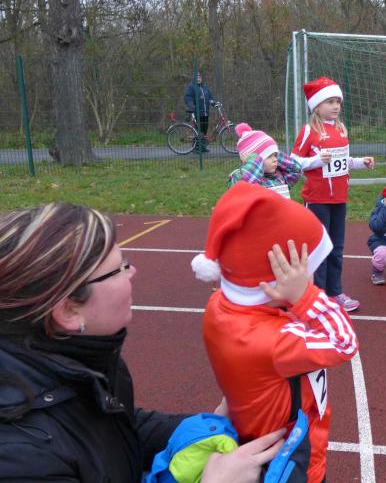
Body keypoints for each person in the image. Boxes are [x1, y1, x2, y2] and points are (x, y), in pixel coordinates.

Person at [0, 203, 285, 482]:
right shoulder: (20, 456)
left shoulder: (79, 360)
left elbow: (113, 427)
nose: (133, 271)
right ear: (69, 311)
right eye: (119, 268)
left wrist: (206, 426)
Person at [191, 181, 359, 483]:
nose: (310, 279)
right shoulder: (273, 341)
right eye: (306, 272)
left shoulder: (221, 306)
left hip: (261, 438)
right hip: (294, 459)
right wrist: (305, 297)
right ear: (275, 279)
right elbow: (344, 343)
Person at [291, 76, 375, 312]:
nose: (336, 106)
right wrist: (316, 161)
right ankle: (317, 296)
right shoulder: (308, 130)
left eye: (338, 101)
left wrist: (360, 162)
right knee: (319, 248)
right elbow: (293, 162)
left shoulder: (341, 129)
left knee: (336, 248)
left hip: (339, 198)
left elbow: (342, 161)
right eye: (330, 102)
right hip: (317, 199)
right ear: (316, 106)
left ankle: (335, 292)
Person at [228, 123, 302, 199]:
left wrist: (273, 151)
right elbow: (246, 183)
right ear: (254, 160)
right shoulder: (238, 177)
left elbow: (296, 169)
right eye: (269, 156)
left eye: (275, 155)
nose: (275, 159)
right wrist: (254, 159)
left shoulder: (278, 177)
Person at [183, 71, 216, 153]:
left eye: (199, 77)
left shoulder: (205, 87)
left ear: (201, 78)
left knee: (204, 130)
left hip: (205, 112)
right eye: (197, 77)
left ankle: (202, 146)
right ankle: (196, 147)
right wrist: (191, 106)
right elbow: (188, 97)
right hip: (197, 112)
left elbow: (210, 97)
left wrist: (213, 102)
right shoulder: (191, 87)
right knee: (198, 130)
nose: (198, 79)